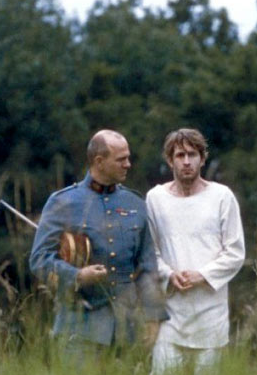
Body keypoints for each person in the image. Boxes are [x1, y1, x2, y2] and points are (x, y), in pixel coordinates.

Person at [29, 129, 165, 358]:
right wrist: (77, 276)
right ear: (99, 162)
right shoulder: (62, 202)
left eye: (128, 158)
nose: (128, 164)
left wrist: (154, 318)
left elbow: (148, 267)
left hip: (127, 334)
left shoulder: (135, 203)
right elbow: (39, 260)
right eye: (121, 159)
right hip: (79, 332)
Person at [145, 128, 245, 375]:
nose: (187, 162)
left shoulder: (222, 197)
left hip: (211, 315)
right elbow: (149, 252)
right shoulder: (155, 199)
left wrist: (202, 275)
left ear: (203, 158)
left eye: (192, 154)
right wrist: (168, 274)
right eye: (180, 155)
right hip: (171, 316)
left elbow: (235, 252)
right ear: (170, 160)